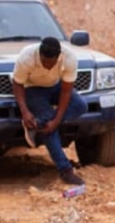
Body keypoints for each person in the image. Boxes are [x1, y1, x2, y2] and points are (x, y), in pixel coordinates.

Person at [12, 37, 88, 185]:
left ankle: (37, 125)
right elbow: (17, 83)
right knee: (49, 124)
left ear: (58, 57)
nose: (48, 66)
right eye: (44, 62)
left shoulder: (69, 57)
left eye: (51, 63)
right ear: (39, 54)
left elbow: (66, 92)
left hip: (55, 86)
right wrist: (25, 111)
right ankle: (65, 170)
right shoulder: (26, 56)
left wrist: (56, 121)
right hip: (32, 89)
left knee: (80, 105)